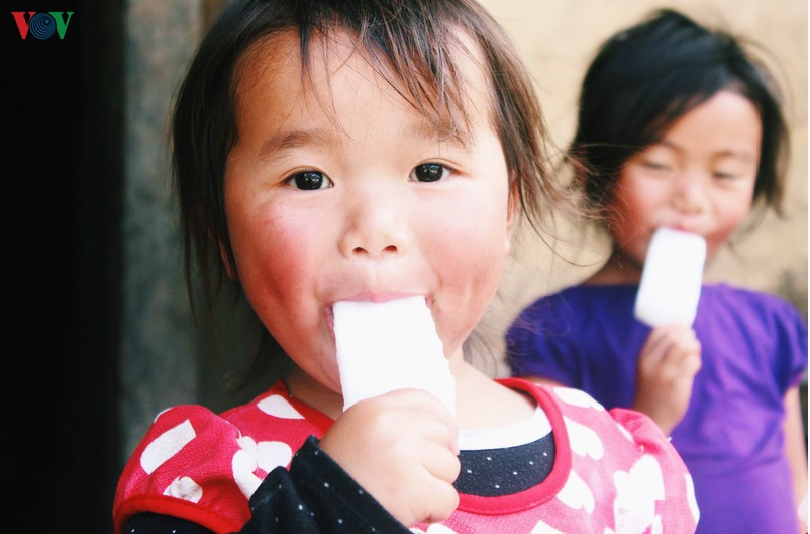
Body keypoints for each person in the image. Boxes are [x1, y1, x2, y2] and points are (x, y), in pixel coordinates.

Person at [112, 1, 700, 533]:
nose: (375, 231)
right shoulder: (212, 481)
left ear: (509, 209)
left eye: (430, 170)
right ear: (224, 238)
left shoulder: (622, 472)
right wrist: (331, 507)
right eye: (308, 179)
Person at [506, 8, 808, 534]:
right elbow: (562, 513)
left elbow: (796, 486)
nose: (692, 199)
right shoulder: (555, 330)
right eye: (659, 165)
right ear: (593, 169)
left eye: (725, 173)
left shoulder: (770, 326)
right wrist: (649, 418)